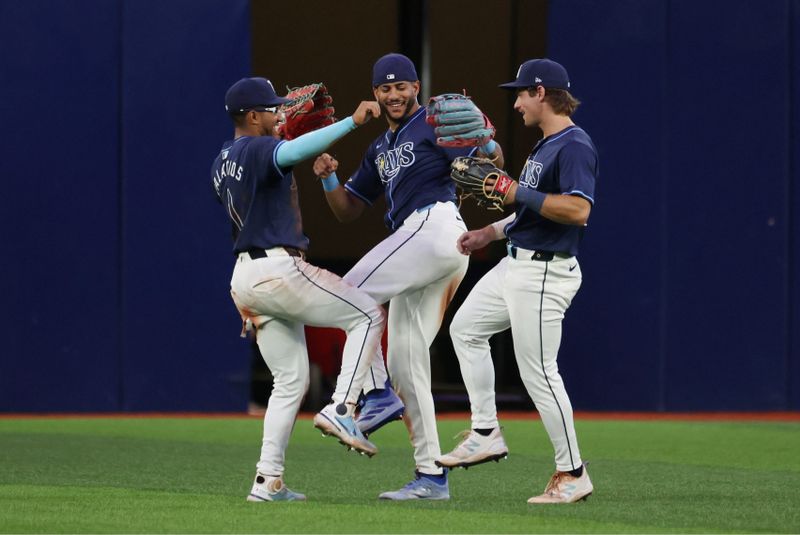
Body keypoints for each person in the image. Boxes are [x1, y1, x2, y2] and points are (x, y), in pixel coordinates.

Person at [312, 53, 503, 500]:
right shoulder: (378, 149)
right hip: (424, 249)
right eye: (385, 88)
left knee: (347, 293)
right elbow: (349, 211)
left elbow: (487, 160)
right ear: (375, 93)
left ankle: (365, 398)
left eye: (402, 86)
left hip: (434, 226)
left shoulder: (434, 124)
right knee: (407, 366)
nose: (394, 94)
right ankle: (431, 477)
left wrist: (489, 145)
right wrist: (328, 179)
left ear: (416, 87)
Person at [211, 77, 387, 502]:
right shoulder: (257, 148)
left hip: (245, 278)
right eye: (271, 109)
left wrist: (284, 134)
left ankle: (267, 480)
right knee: (367, 314)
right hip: (276, 268)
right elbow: (290, 151)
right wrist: (352, 122)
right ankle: (342, 406)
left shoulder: (221, 159)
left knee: (289, 380)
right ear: (252, 116)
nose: (280, 114)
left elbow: (278, 161)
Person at [436, 58, 598, 504]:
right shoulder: (544, 145)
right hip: (517, 261)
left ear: (542, 93)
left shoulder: (574, 145)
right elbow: (529, 209)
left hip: (545, 270)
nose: (518, 104)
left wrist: (514, 191)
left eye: (522, 94)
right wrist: (490, 230)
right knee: (465, 330)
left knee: (540, 375)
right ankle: (485, 431)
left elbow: (578, 211)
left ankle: (572, 473)